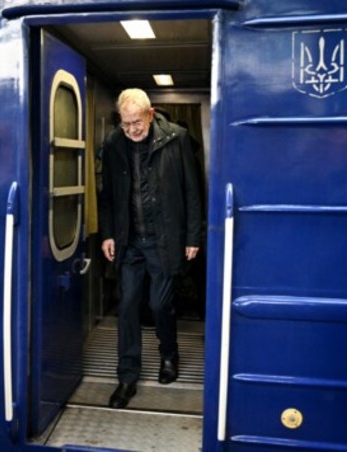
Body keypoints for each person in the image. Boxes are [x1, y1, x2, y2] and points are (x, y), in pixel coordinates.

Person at [99, 88, 202, 409]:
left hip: (165, 240)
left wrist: (192, 237)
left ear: (151, 113)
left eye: (136, 122)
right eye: (125, 123)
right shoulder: (114, 144)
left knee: (160, 305)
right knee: (127, 306)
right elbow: (108, 196)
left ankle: (168, 355)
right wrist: (108, 234)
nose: (131, 129)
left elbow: (192, 190)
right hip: (130, 242)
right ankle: (127, 376)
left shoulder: (177, 138)